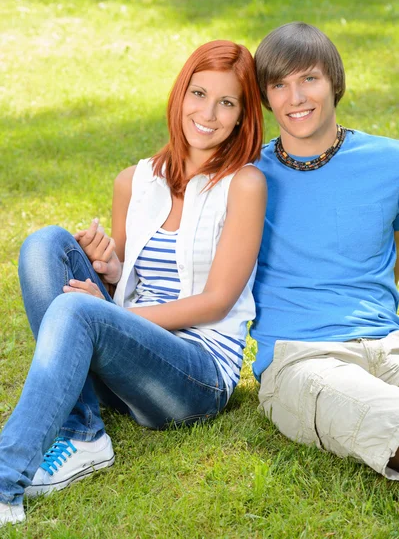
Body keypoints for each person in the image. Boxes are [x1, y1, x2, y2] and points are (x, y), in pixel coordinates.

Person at [0, 40, 267, 527]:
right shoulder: (136, 180)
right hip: (129, 361)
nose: (208, 113)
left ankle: (3, 481)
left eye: (226, 102)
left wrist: (111, 314)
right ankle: (85, 433)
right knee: (45, 244)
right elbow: (127, 278)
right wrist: (109, 266)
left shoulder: (244, 185)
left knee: (79, 311)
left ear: (242, 116)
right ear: (179, 94)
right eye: (199, 93)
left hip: (196, 374)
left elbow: (215, 302)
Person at [251, 21, 399, 479]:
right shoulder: (247, 177)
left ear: (334, 82)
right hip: (301, 358)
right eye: (279, 85)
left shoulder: (389, 161)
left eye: (309, 79)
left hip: (390, 344)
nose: (295, 98)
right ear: (266, 97)